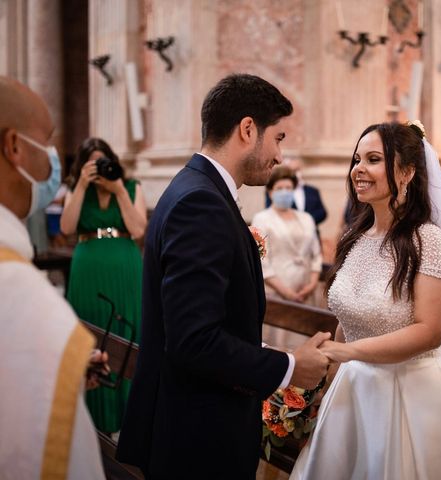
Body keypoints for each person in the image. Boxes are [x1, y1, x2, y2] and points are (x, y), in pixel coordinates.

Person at [116, 73, 330, 479]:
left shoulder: (191, 187)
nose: (280, 157)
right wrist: (288, 366)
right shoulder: (202, 202)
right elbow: (193, 340)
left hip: (189, 421)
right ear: (248, 129)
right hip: (199, 435)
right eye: (279, 138)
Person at [290, 121, 441, 479]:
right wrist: (325, 383)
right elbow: (349, 319)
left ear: (406, 172)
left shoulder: (428, 242)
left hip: (411, 395)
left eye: (373, 159)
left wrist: (347, 353)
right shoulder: (355, 236)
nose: (359, 170)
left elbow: (430, 332)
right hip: (352, 392)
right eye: (357, 159)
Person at [0, 76, 106, 479]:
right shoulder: (22, 298)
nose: (52, 160)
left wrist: (62, 372)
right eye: (46, 142)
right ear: (14, 147)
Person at [60, 137, 146, 434]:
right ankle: (93, 421)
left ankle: (128, 420)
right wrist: (82, 185)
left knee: (129, 329)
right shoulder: (77, 189)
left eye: (103, 161)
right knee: (90, 331)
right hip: (88, 267)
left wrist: (119, 188)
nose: (99, 168)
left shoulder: (131, 186)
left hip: (125, 267)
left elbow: (137, 229)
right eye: (91, 163)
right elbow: (67, 228)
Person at [252, 165, 323, 304]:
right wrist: (287, 293)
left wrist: (313, 283)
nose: (285, 192)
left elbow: (316, 254)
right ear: (270, 192)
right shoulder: (260, 219)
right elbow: (261, 261)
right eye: (279, 188)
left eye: (289, 188)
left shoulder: (306, 218)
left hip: (306, 292)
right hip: (277, 295)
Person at [265, 157, 327, 228]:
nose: (296, 173)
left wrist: (306, 221)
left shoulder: (312, 190)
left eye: (298, 170)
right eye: (293, 170)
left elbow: (322, 212)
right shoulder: (277, 191)